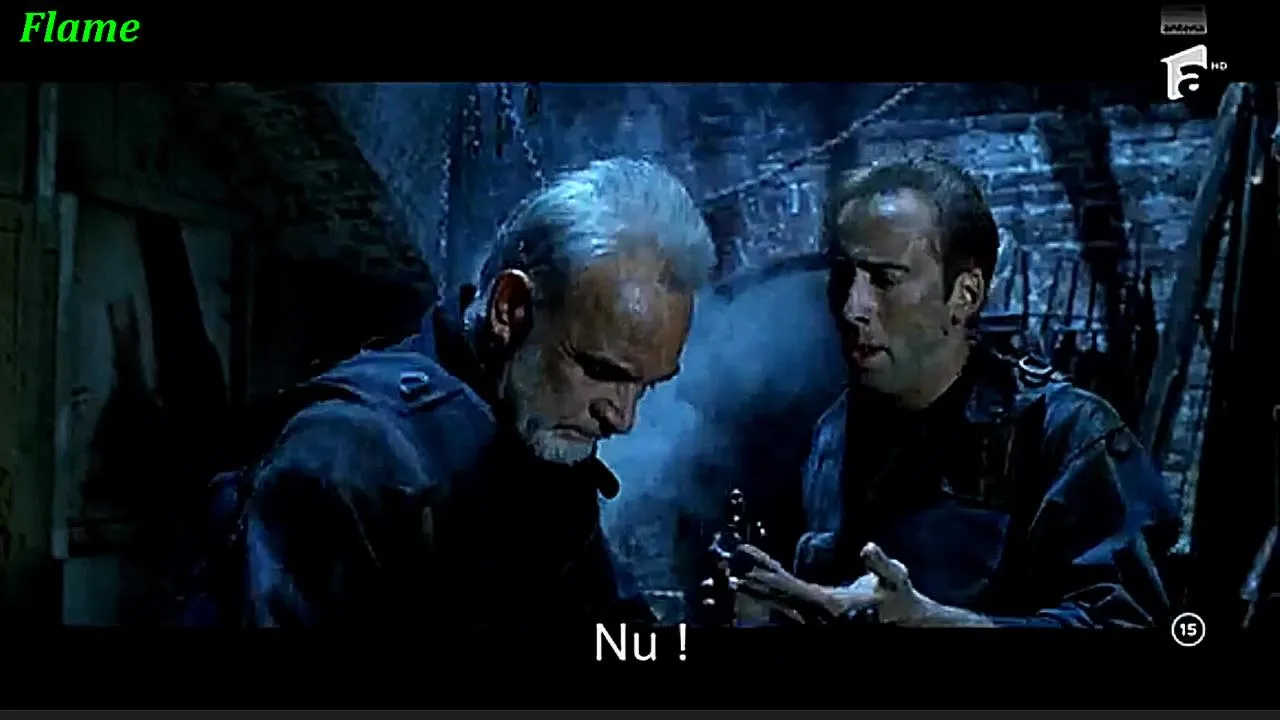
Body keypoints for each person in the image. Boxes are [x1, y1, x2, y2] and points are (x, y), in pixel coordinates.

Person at [206, 157, 715, 627]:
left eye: (645, 386)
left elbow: (616, 634)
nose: (622, 418)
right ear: (510, 309)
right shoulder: (351, 453)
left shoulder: (539, 444)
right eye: (601, 371)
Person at [728, 159, 1180, 628]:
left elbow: (1129, 624)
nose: (852, 307)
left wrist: (937, 623)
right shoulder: (834, 433)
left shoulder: (1065, 435)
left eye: (885, 279)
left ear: (965, 294)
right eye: (845, 276)